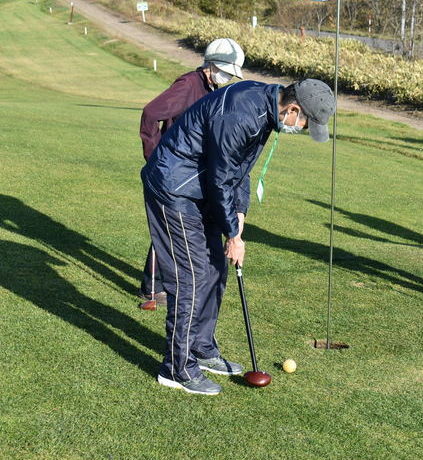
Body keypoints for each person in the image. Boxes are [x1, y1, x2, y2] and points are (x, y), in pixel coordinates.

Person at [141, 78, 335, 394]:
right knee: (191, 277)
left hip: (198, 189)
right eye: (305, 123)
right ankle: (177, 369)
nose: (301, 129)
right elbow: (221, 178)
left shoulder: (267, 109)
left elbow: (240, 169)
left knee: (215, 269)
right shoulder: (242, 114)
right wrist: (233, 235)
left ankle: (201, 348)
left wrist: (240, 213)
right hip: (173, 188)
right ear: (293, 109)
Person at [137, 38, 245, 306]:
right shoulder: (189, 84)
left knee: (175, 226)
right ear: (212, 65)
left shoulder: (209, 88)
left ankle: (163, 282)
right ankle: (152, 288)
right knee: (168, 227)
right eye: (226, 71)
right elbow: (151, 114)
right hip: (171, 171)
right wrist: (154, 157)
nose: (228, 77)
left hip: (191, 171)